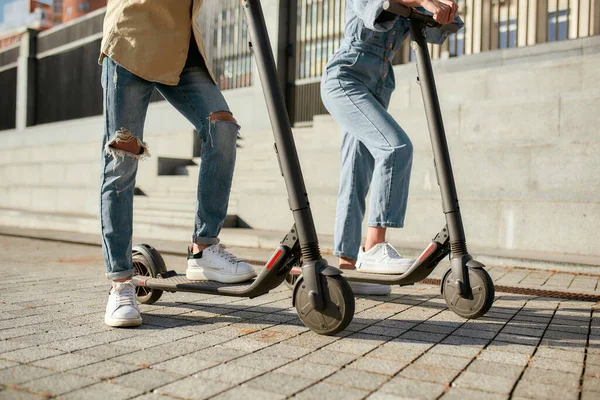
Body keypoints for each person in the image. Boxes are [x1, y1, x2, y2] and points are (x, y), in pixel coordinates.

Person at [100, 1, 256, 328]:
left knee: (222, 126)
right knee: (122, 160)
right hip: (133, 39)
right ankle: (120, 283)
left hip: (182, 46)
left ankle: (203, 248)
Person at [320, 0, 459, 295]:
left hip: (378, 88)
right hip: (346, 79)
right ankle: (374, 248)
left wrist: (446, 7)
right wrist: (424, 1)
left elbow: (437, 31)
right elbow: (378, 8)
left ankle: (348, 268)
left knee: (356, 173)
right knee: (396, 149)